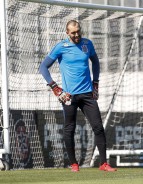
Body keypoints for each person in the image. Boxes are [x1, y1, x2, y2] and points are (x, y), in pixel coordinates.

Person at [39, 20, 117, 172]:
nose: (76, 35)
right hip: (69, 96)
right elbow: (43, 67)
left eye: (78, 31)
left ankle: (103, 163)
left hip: (87, 94)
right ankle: (74, 163)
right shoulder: (61, 47)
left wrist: (96, 83)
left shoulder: (87, 44)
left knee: (98, 127)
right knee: (70, 129)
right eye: (73, 32)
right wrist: (55, 88)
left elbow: (95, 61)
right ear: (67, 33)